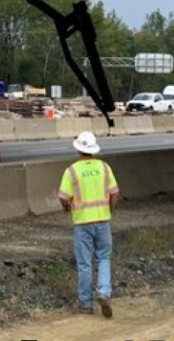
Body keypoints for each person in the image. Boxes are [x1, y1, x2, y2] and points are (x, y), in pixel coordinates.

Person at [57, 130, 120, 317]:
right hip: (103, 220)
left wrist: (67, 208)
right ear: (93, 149)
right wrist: (108, 209)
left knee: (84, 263)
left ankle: (85, 304)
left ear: (78, 149)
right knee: (103, 258)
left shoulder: (72, 171)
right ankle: (104, 291)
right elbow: (115, 193)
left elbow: (62, 196)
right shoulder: (104, 168)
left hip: (82, 222)